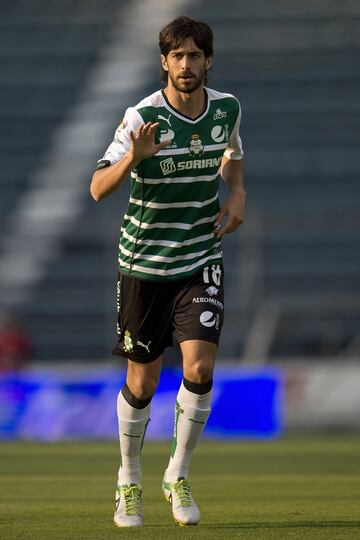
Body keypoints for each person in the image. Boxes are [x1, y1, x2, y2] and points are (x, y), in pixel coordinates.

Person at [90, 16, 245, 528]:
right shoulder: (140, 118)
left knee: (199, 369)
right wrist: (132, 158)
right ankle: (128, 479)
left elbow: (231, 152)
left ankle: (177, 473)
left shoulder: (226, 109)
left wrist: (237, 192)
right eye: (176, 56)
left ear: (208, 61)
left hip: (200, 258)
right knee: (144, 379)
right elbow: (96, 188)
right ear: (164, 62)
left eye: (194, 56)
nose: (186, 64)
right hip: (144, 265)